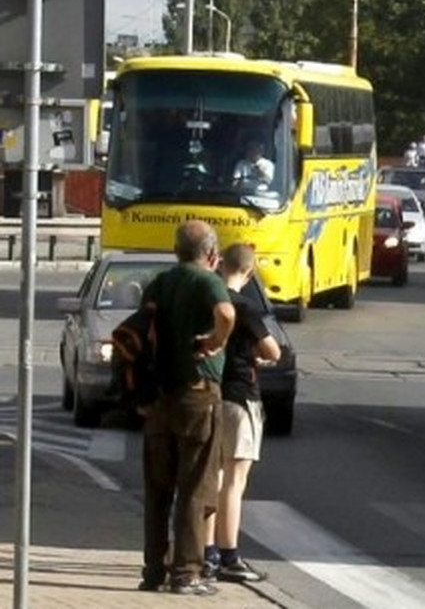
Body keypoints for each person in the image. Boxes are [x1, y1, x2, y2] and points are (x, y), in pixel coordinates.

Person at [138, 220, 235, 596]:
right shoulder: (207, 280)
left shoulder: (162, 282)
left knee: (158, 489)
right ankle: (187, 573)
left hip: (160, 396)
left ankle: (152, 570)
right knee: (195, 486)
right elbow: (226, 314)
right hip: (197, 395)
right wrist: (216, 340)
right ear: (212, 254)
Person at [203, 243, 282, 584]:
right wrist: (259, 358)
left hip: (209, 393)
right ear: (249, 273)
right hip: (240, 396)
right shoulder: (246, 308)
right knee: (234, 481)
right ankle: (229, 555)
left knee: (211, 477)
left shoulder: (209, 303)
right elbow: (273, 350)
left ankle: (205, 552)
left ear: (220, 265)